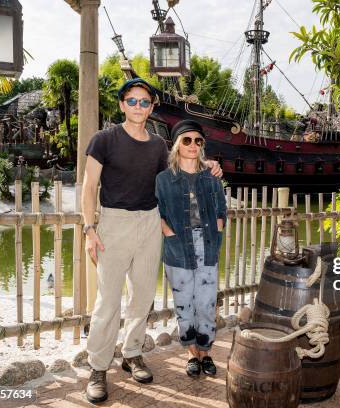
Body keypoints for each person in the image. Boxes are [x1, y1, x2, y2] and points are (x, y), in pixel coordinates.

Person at [82, 79, 222, 403]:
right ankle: (98, 368)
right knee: (108, 300)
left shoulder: (159, 145)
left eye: (144, 103)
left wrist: (208, 165)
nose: (138, 108)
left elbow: (179, 172)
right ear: (121, 105)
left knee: (143, 296)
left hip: (149, 222)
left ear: (152, 107)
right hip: (114, 222)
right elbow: (89, 187)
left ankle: (132, 354)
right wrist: (89, 230)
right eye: (132, 101)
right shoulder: (104, 140)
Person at [155, 120, 227, 378]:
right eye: (187, 140)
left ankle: (206, 352)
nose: (193, 145)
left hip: (207, 244)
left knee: (206, 303)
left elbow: (221, 209)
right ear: (176, 145)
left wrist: (218, 227)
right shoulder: (164, 179)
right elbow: (157, 211)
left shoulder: (211, 176)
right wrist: (168, 232)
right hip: (177, 247)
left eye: (198, 141)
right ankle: (190, 355)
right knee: (184, 303)